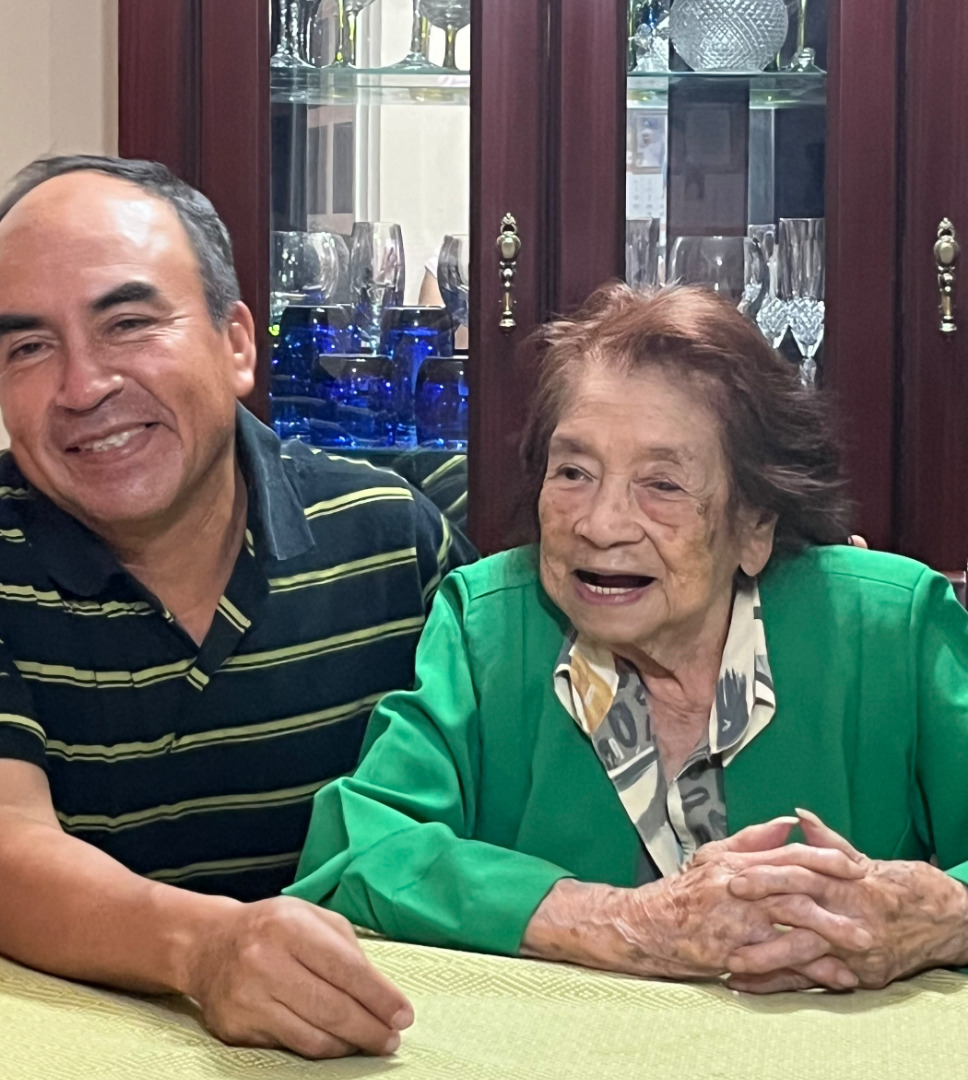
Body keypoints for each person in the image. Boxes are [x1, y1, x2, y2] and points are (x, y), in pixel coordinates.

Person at [0, 154, 476, 1058]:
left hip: (351, 1048)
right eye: (29, 348)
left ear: (236, 343)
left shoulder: (392, 539)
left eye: (128, 323)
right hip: (24, 1054)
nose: (83, 387)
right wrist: (209, 950)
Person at [291, 282, 968, 995]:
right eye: (573, 473)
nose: (601, 524)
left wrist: (944, 917)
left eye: (662, 484)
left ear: (755, 525)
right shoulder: (488, 625)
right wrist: (623, 922)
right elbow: (356, 853)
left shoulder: (889, 627)